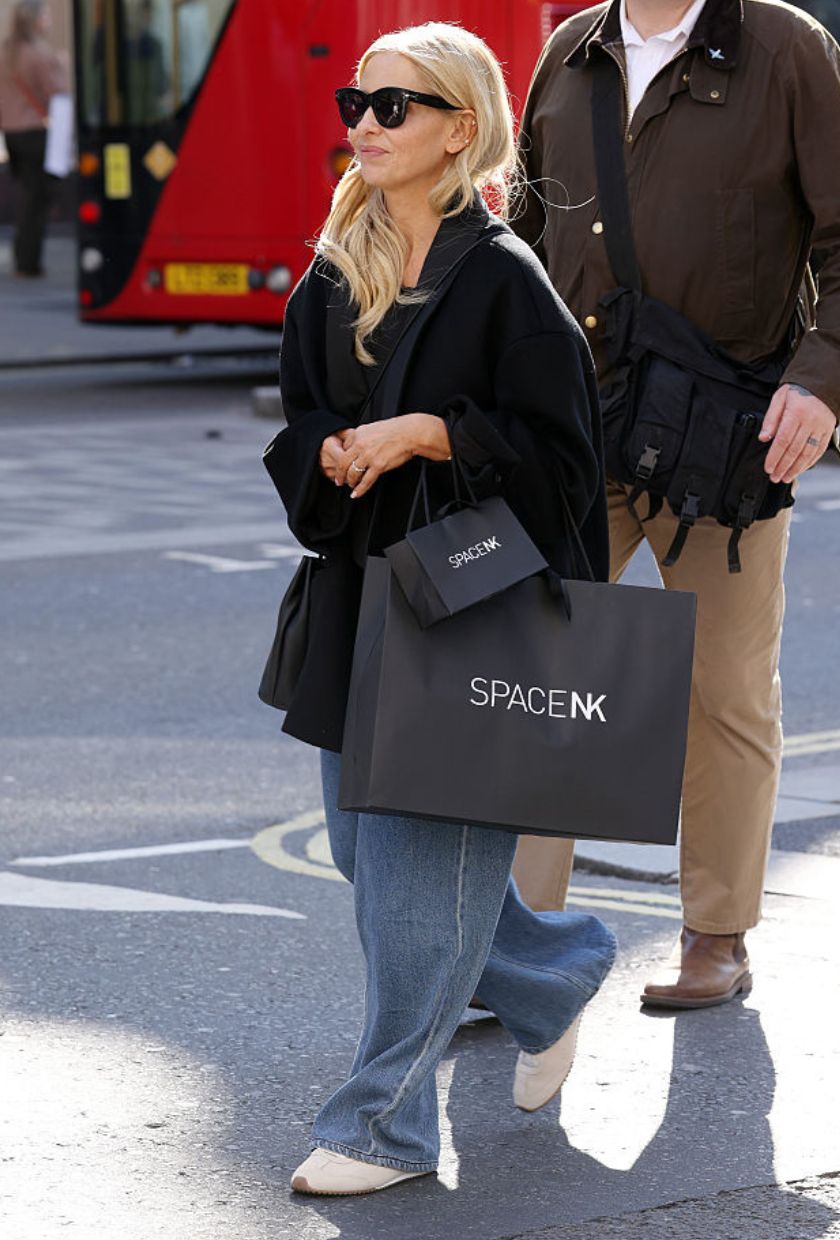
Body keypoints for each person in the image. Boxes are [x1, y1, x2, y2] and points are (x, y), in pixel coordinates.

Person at [265, 21, 617, 1197]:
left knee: (419, 882)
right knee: (374, 859)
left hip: (470, 608)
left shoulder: (509, 281)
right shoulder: (335, 270)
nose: (364, 121)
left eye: (395, 105)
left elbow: (567, 468)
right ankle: (553, 969)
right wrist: (325, 454)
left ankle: (385, 1129)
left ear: (461, 129)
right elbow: (299, 415)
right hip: (360, 598)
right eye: (356, 101)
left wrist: (432, 433)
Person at [513, 0, 840, 1009]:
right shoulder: (570, 51)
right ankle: (516, 947)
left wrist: (821, 379)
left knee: (725, 693)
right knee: (532, 683)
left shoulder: (787, 50)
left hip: (726, 438)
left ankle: (717, 934)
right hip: (575, 422)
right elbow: (522, 238)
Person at [0, 0, 68, 277]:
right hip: (34, 131)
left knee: (28, 194)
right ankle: (28, 260)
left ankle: (22, 254)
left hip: (11, 132)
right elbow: (58, 93)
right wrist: (61, 66)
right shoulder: (39, 53)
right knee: (38, 197)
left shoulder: (6, 51)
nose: (49, 19)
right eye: (46, 14)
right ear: (36, 19)